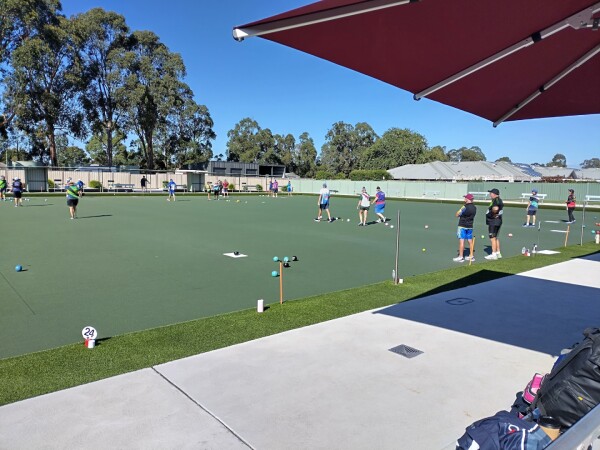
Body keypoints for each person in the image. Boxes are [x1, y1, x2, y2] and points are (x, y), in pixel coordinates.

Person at [453, 194, 477, 262]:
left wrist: (459, 213)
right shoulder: (474, 207)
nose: (464, 199)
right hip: (470, 226)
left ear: (467, 199)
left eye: (465, 198)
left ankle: (461, 256)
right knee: (470, 241)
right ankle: (471, 256)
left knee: (462, 240)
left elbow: (457, 214)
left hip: (462, 226)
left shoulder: (464, 207)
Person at [485, 188, 503, 260]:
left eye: (491, 193)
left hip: (493, 221)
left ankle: (494, 254)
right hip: (497, 221)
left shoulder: (496, 200)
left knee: (492, 238)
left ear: (494, 194)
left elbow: (495, 208)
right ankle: (498, 253)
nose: (490, 194)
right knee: (495, 237)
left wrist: (492, 214)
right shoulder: (498, 200)